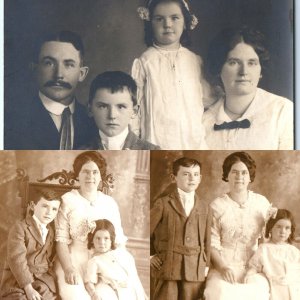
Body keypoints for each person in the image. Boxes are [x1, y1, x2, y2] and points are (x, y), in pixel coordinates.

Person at [132, 0, 211, 149]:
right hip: (157, 142)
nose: (167, 24)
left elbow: (208, 100)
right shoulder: (145, 61)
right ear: (150, 23)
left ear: (185, 23)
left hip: (192, 142)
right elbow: (133, 108)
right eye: (159, 19)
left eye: (174, 18)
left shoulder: (194, 60)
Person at [203, 26, 293, 150]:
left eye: (252, 63)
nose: (244, 71)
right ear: (219, 68)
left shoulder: (283, 111)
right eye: (233, 62)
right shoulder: (203, 120)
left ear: (261, 70)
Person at [54, 151, 128, 300]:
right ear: (77, 175)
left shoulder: (110, 203)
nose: (90, 177)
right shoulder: (67, 200)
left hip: (103, 262)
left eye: (95, 172)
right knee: (76, 296)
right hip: (72, 259)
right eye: (85, 172)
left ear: (101, 176)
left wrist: (116, 268)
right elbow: (60, 241)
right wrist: (68, 269)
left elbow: (118, 242)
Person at [5, 30, 95, 150]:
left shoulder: (93, 121)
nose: (58, 75)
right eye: (49, 63)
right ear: (35, 69)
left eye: (68, 64)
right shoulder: (11, 120)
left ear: (82, 73)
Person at [204, 151, 272, 300]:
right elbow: (211, 244)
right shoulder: (216, 206)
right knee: (221, 292)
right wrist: (223, 267)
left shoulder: (262, 203)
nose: (239, 177)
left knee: (259, 290)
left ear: (249, 177)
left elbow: (267, 241)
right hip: (224, 266)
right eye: (234, 172)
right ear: (227, 175)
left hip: (255, 268)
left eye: (244, 173)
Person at [150, 157, 211, 300]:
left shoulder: (205, 207)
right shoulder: (163, 203)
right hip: (168, 266)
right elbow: (146, 230)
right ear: (174, 177)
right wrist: (151, 255)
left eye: (195, 174)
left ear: (200, 178)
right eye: (186, 174)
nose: (191, 178)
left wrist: (206, 266)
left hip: (195, 268)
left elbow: (207, 240)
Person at [0, 187, 61, 300]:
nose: (49, 212)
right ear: (33, 206)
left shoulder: (51, 231)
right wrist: (28, 288)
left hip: (42, 279)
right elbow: (16, 259)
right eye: (45, 206)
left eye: (54, 209)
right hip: (18, 279)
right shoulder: (20, 228)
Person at [83, 71, 160, 150]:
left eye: (121, 107)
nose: (112, 116)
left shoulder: (154, 153)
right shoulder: (79, 152)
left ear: (134, 111)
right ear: (90, 109)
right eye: (103, 106)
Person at [85, 219, 147, 300]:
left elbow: (134, 276)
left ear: (111, 239)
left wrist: (143, 293)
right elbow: (89, 281)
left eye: (106, 238)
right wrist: (93, 294)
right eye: (98, 238)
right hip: (117, 292)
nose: (102, 242)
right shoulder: (95, 261)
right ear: (92, 240)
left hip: (132, 290)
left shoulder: (121, 253)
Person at [245, 209, 300, 300]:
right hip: (275, 288)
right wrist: (250, 275)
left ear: (290, 231)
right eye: (279, 226)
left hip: (294, 286)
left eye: (287, 228)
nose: (283, 231)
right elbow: (254, 266)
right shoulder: (264, 249)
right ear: (270, 228)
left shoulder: (293, 251)